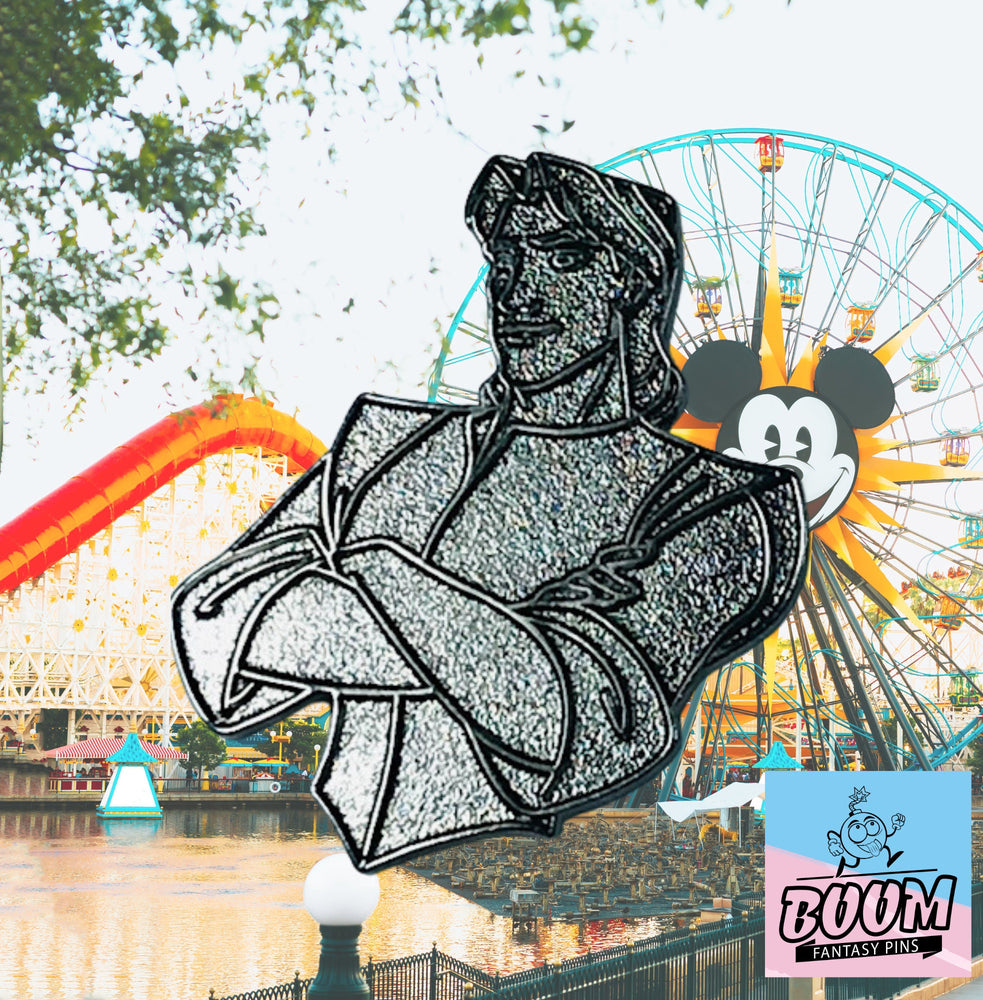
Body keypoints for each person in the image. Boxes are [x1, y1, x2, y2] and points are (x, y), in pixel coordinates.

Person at [172, 153, 808, 871]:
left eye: (563, 258)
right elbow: (212, 632)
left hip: (513, 861)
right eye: (505, 261)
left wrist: (375, 568)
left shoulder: (726, 504)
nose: (518, 292)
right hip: (393, 873)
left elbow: (573, 727)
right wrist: (491, 644)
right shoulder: (387, 441)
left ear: (631, 281)